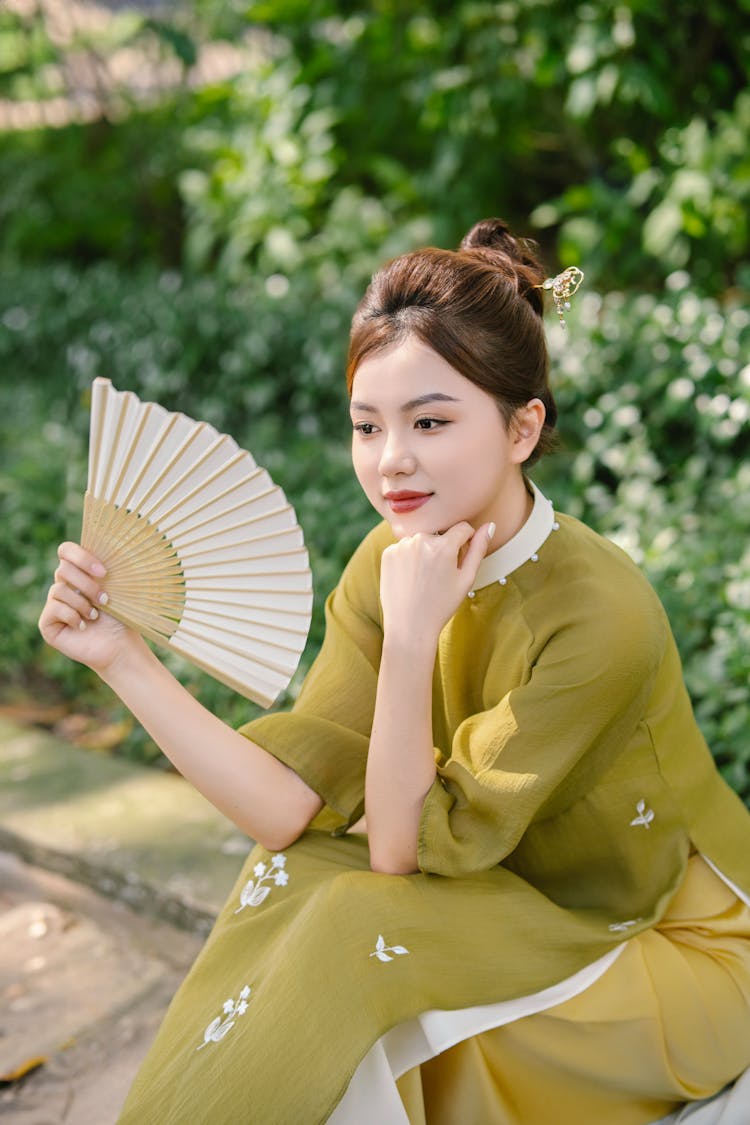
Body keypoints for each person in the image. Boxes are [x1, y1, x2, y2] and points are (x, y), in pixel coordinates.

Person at [38, 219, 750, 1125]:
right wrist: (120, 659)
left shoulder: (597, 614)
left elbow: (398, 852)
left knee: (351, 925)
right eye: (366, 425)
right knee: (292, 874)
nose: (391, 461)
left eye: (431, 421)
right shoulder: (390, 559)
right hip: (503, 905)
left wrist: (413, 645)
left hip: (654, 944)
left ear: (523, 426)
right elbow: (291, 809)